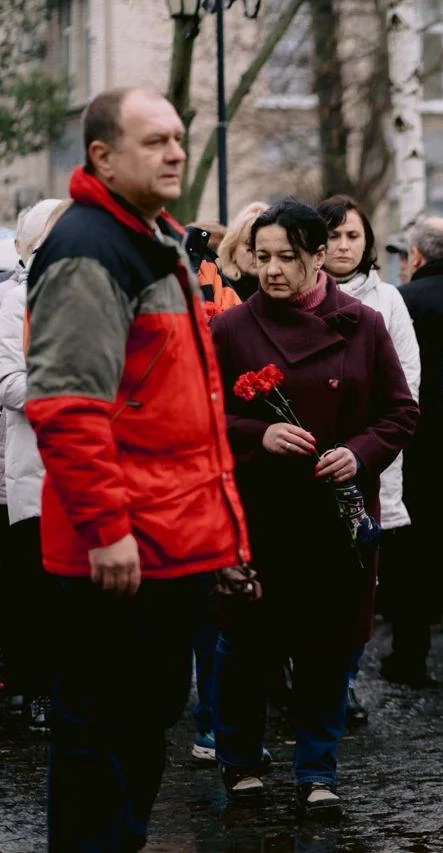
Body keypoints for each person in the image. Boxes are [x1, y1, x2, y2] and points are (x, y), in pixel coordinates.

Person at [25, 87, 253, 851]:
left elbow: (183, 415)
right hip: (117, 551)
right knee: (100, 742)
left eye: (179, 138)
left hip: (165, 542)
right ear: (102, 156)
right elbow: (67, 407)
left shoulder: (152, 238)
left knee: (140, 728)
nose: (176, 153)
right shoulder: (89, 248)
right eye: (155, 141)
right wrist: (107, 529)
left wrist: (222, 541)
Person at [210, 198, 418, 818]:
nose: (272, 270)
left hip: (337, 515)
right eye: (262, 256)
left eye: (288, 257)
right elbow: (200, 418)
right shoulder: (231, 329)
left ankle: (317, 770)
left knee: (328, 646)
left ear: (320, 256)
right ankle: (240, 760)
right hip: (259, 512)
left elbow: (400, 412)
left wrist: (358, 452)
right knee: (248, 644)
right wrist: (259, 434)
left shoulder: (363, 323)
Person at [318, 194, 422, 724]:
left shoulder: (388, 302)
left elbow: (407, 382)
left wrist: (367, 446)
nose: (342, 246)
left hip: (371, 460)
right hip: (308, 458)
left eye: (352, 236)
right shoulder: (298, 296)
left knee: (360, 579)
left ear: (368, 242)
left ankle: (344, 681)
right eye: (333, 235)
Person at [391, 215, 443, 685]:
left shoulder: (403, 301)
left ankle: (409, 655)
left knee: (413, 552)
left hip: (417, 442)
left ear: (416, 255)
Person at [0, 198, 64, 735]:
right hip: (39, 464)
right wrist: (78, 388)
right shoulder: (13, 301)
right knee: (38, 588)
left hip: (100, 466)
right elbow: (10, 385)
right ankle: (39, 688)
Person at [217, 201, 270, 301]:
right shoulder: (218, 291)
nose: (257, 253)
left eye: (265, 247)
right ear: (232, 250)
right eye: (250, 244)